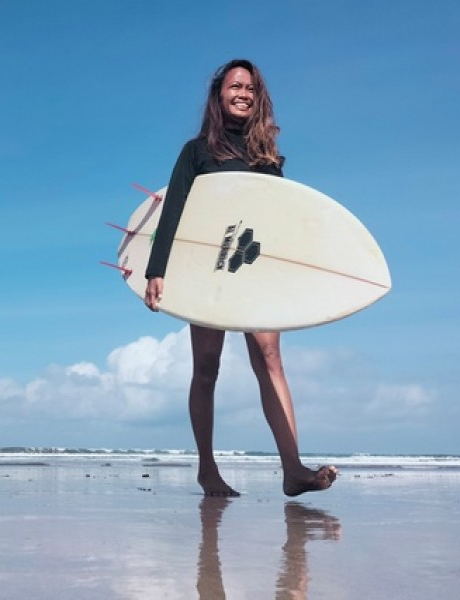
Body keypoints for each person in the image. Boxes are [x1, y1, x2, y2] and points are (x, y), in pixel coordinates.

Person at [144, 59, 337, 497]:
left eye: (250, 87)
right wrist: (157, 271)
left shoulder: (265, 158)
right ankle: (207, 469)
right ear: (219, 95)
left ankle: (293, 468)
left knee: (270, 359)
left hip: (254, 269)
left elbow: (279, 222)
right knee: (207, 368)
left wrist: (296, 273)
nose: (243, 93)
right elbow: (173, 210)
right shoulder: (196, 152)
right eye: (235, 85)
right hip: (209, 271)